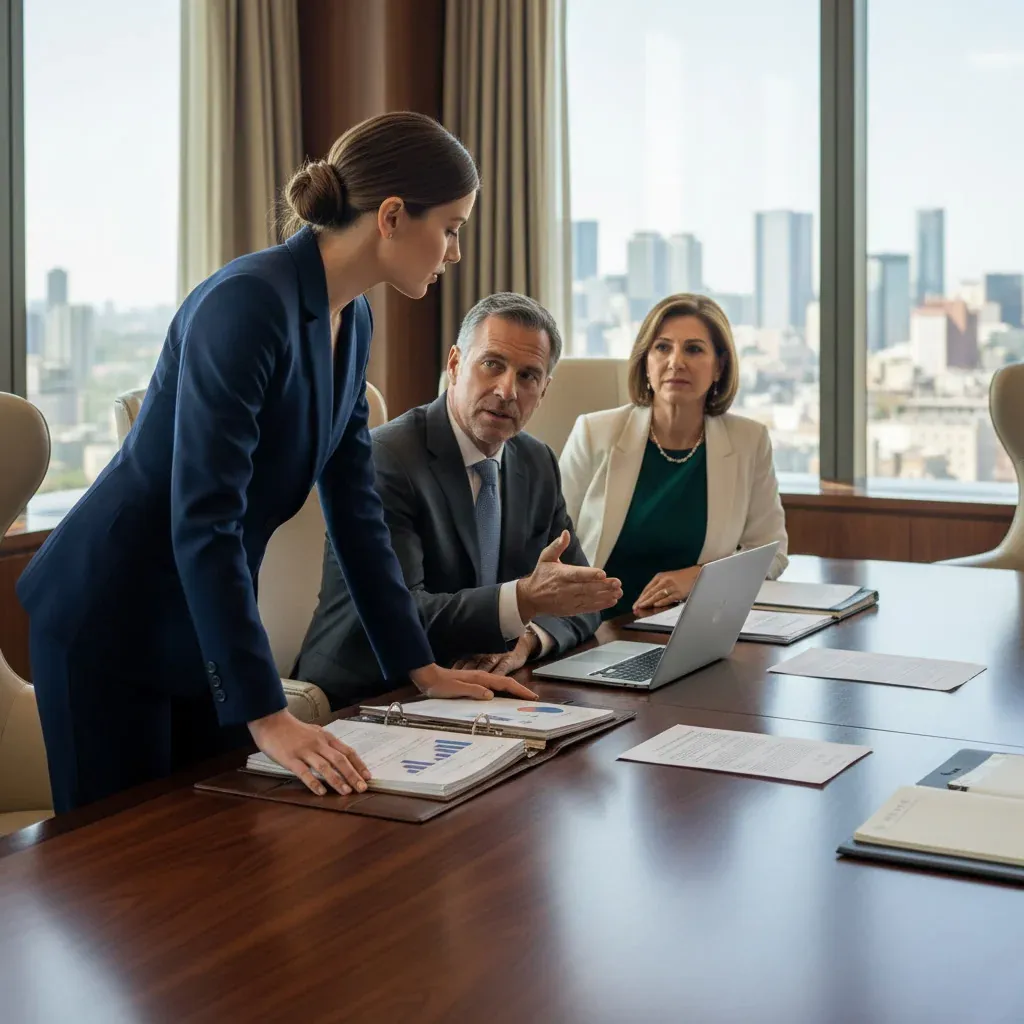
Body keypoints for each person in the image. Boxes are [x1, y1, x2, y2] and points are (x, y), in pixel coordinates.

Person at [17, 111, 537, 814]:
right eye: (450, 227)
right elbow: (207, 520)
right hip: (110, 618)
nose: (454, 251)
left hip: (200, 626)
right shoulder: (246, 304)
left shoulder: (353, 319)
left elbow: (356, 513)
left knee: (217, 847)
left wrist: (420, 667)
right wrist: (266, 714)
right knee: (123, 865)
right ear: (391, 217)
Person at [295, 292, 622, 707]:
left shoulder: (536, 461)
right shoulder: (385, 458)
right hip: (370, 693)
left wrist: (526, 640)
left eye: (528, 376)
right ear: (454, 365)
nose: (507, 390)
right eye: (492, 364)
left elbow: (583, 598)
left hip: (477, 692)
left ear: (543, 391)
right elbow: (400, 612)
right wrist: (522, 600)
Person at [559, 293, 788, 618]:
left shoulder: (749, 441)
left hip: (693, 628)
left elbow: (772, 554)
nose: (676, 361)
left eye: (694, 349)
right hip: (593, 627)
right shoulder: (594, 433)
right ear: (646, 361)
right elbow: (551, 545)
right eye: (662, 347)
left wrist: (697, 578)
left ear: (719, 366)